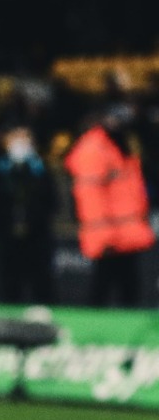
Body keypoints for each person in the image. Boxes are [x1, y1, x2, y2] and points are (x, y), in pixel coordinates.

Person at [66, 104, 153, 308]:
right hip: (110, 232)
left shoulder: (121, 143)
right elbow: (90, 196)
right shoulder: (94, 148)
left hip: (127, 230)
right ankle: (94, 327)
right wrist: (103, 235)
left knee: (129, 285)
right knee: (103, 285)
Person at [0, 125, 56, 304]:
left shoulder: (41, 168)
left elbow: (51, 202)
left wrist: (32, 220)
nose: (20, 143)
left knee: (40, 281)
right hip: (5, 237)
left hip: (36, 236)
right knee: (7, 283)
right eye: (16, 138)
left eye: (25, 138)